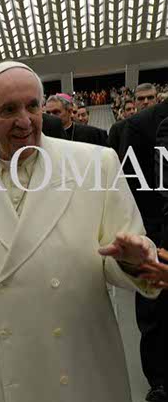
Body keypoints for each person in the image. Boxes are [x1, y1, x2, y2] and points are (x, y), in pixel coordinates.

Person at [0, 62, 159, 402]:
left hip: (77, 361)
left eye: (32, 106)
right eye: (9, 110)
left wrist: (134, 261)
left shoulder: (96, 163)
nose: (25, 121)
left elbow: (122, 251)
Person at [119, 86, 168, 402]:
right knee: (155, 315)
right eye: (142, 97)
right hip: (158, 235)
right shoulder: (141, 125)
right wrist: (149, 237)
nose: (146, 102)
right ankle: (159, 380)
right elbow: (134, 186)